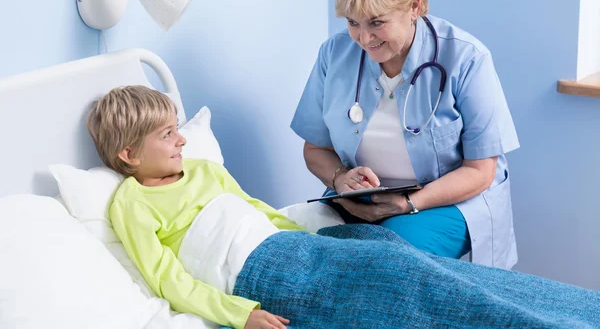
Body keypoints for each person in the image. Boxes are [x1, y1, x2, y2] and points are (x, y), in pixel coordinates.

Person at [87, 86, 599, 329]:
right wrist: (239, 315)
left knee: (411, 263)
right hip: (258, 274)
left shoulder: (202, 170)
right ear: (128, 154)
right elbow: (167, 281)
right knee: (410, 289)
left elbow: (256, 210)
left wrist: (324, 237)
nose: (180, 139)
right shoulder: (131, 203)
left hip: (292, 246)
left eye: (179, 127)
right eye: (165, 134)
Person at [291, 0, 519, 268]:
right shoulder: (334, 55)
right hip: (359, 199)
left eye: (377, 23)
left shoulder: (467, 59)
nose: (364, 38)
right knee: (302, 250)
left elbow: (481, 171)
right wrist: (341, 179)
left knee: (387, 262)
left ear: (413, 7)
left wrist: (408, 202)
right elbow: (315, 149)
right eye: (353, 23)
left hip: (446, 203)